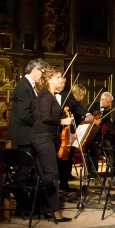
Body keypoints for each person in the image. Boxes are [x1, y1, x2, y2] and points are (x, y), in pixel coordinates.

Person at [29, 66, 73, 222]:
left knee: (45, 175)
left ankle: (45, 208)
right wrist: (63, 120)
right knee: (52, 173)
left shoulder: (48, 95)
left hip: (43, 137)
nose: (60, 79)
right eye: (57, 77)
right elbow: (46, 117)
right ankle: (55, 211)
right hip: (42, 137)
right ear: (48, 79)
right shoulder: (46, 96)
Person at [7, 58, 49, 213]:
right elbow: (25, 115)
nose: (42, 76)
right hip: (23, 136)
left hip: (28, 135)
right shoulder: (24, 87)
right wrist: (41, 124)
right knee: (24, 171)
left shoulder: (29, 87)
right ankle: (23, 206)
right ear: (34, 69)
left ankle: (29, 205)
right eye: (42, 72)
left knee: (32, 171)